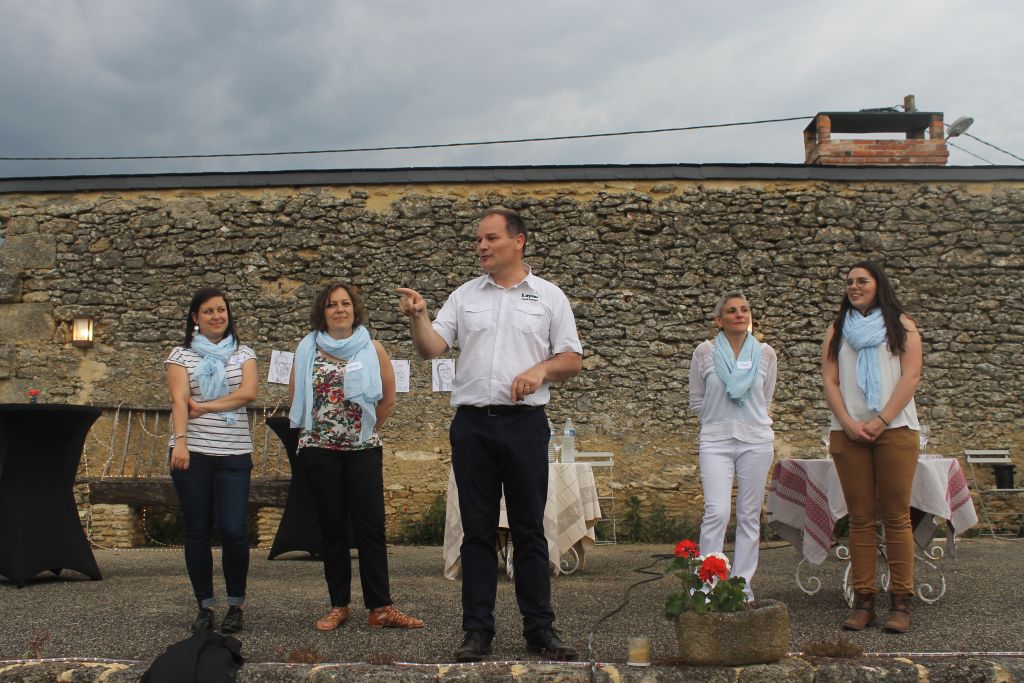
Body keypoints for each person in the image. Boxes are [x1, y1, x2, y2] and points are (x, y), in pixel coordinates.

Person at [397, 208, 583, 662]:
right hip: (473, 426)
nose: (481, 246)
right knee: (477, 532)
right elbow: (431, 348)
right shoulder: (464, 296)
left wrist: (541, 370)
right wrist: (418, 316)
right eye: (478, 239)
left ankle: (540, 629)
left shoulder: (549, 297)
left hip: (524, 424)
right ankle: (477, 630)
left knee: (529, 530)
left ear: (518, 241)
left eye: (490, 238)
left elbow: (572, 359)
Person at [289, 282, 424, 632]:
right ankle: (338, 606)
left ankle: (381, 607)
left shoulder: (373, 347)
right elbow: (296, 397)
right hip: (319, 450)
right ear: (323, 311)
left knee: (371, 529)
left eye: (345, 303)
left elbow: (388, 398)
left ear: (355, 309)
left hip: (362, 450)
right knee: (332, 530)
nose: (339, 309)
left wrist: (362, 430)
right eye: (332, 304)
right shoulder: (307, 349)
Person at [822, 260, 921, 634]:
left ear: (879, 285)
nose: (854, 286)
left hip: (894, 429)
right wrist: (849, 422)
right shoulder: (837, 330)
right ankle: (864, 602)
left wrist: (881, 420)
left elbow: (911, 376)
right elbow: (830, 381)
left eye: (862, 280)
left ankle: (901, 603)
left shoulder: (902, 325)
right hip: (848, 432)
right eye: (848, 281)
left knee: (896, 518)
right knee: (860, 520)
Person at [165, 287, 258, 634]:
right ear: (195, 318)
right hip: (195, 452)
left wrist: (205, 406)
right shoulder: (180, 355)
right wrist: (182, 443)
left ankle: (236, 604)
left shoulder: (243, 353)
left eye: (221, 310)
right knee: (198, 530)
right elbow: (179, 400)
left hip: (234, 453)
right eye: (208, 311)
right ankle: (204, 605)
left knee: (235, 530)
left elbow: (248, 393)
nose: (217, 316)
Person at [688, 291, 777, 601]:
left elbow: (765, 400)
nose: (740, 314)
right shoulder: (704, 352)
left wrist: (746, 420)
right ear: (719, 320)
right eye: (731, 311)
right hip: (715, 440)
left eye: (744, 310)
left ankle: (741, 585)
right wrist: (719, 419)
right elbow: (697, 399)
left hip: (756, 441)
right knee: (716, 511)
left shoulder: (765, 354)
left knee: (750, 514)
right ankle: (708, 584)